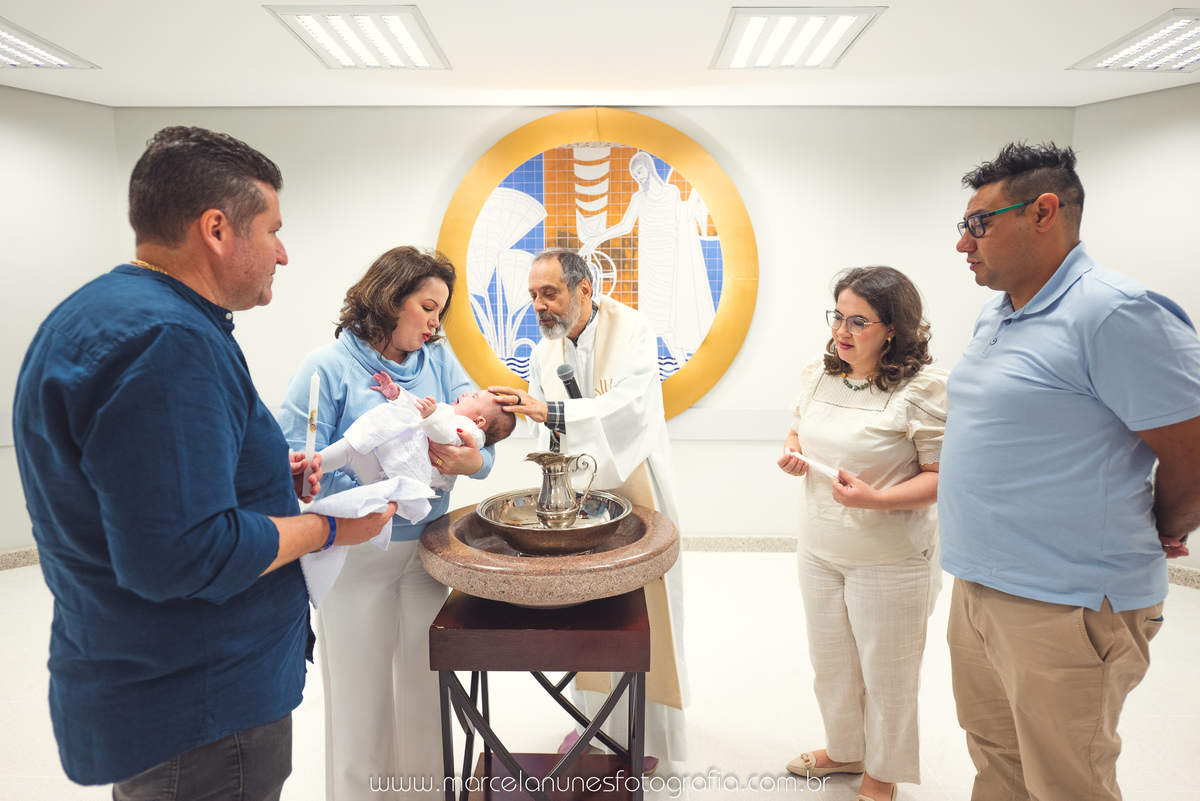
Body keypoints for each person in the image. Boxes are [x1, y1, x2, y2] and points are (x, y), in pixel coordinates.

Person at [11, 126, 395, 800]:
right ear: (217, 228)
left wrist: (268, 474)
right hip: (203, 712)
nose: (284, 252)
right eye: (272, 229)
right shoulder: (169, 341)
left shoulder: (102, 312)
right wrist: (333, 528)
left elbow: (137, 493)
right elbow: (183, 552)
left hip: (156, 685)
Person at [940, 142, 1200, 801]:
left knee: (1067, 781)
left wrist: (1167, 522)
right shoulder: (998, 312)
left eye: (979, 224)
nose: (964, 244)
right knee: (998, 765)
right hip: (979, 586)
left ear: (1045, 211)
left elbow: (1193, 446)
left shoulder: (1114, 312)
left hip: (1068, 600)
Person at [278, 245, 496, 801]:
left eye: (441, 311)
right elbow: (294, 462)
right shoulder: (326, 368)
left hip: (427, 556)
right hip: (357, 556)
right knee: (361, 702)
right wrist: (370, 493)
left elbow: (481, 439)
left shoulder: (440, 362)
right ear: (388, 298)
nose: (434, 322)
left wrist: (470, 461)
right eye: (427, 306)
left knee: (425, 694)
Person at [489, 248, 689, 767]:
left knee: (642, 614)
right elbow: (541, 427)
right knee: (586, 606)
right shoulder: (542, 352)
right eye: (533, 295)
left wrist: (554, 409)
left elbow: (631, 407)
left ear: (584, 289)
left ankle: (646, 736)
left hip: (634, 483)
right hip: (575, 498)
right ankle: (592, 728)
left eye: (549, 293)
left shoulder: (634, 330)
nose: (539, 306)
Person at [777, 266, 946, 801]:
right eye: (837, 317)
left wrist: (875, 499)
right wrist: (794, 451)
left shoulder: (923, 390)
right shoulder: (819, 372)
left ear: (892, 329)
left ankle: (883, 774)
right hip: (820, 547)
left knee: (888, 675)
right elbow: (800, 426)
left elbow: (942, 477)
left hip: (890, 557)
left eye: (858, 322)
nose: (841, 333)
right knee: (831, 663)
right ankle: (845, 751)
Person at [577, 150, 715, 363]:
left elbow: (684, 220)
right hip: (650, 262)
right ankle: (672, 362)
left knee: (672, 313)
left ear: (649, 168)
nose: (640, 177)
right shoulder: (639, 198)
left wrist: (699, 191)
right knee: (655, 318)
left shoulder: (671, 192)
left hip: (670, 260)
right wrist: (596, 239)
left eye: (641, 171)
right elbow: (624, 226)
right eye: (636, 175)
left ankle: (681, 359)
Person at [320, 378, 515, 491]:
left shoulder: (469, 430)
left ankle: (313, 464)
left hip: (392, 476)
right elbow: (419, 408)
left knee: (351, 449)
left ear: (479, 422)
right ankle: (313, 465)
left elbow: (446, 437)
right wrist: (398, 395)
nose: (465, 394)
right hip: (388, 474)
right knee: (350, 451)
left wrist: (430, 417)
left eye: (473, 397)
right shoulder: (450, 416)